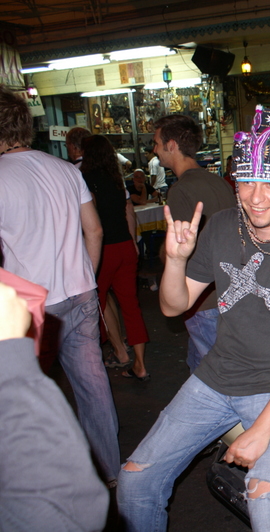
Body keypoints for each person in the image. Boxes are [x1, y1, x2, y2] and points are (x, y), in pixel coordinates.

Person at [116, 105, 270, 531]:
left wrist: (262, 431)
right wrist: (176, 260)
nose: (256, 196)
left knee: (266, 508)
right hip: (215, 378)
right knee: (133, 483)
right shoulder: (220, 227)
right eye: (248, 181)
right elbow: (172, 307)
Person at [0, 85, 120, 486]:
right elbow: (96, 230)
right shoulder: (67, 171)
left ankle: (39, 479)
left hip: (31, 306)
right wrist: (84, 275)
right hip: (80, 292)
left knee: (26, 393)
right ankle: (108, 470)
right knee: (93, 386)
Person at [0, 281, 110, 531]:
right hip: (75, 289)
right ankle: (109, 470)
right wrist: (12, 359)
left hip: (53, 296)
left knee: (90, 385)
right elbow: (80, 510)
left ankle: (108, 470)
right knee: (93, 385)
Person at [154, 114, 237, 372]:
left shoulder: (180, 190)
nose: (154, 150)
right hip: (228, 292)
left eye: (156, 143)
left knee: (213, 376)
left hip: (202, 299)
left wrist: (162, 254)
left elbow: (177, 250)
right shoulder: (218, 181)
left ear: (171, 145)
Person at [81, 135, 151, 380]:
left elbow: (90, 220)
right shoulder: (117, 180)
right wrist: (132, 242)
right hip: (124, 245)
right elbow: (129, 211)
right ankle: (140, 364)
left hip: (103, 248)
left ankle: (97, 361)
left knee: (95, 305)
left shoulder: (85, 180)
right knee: (131, 306)